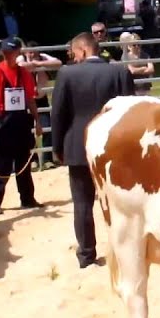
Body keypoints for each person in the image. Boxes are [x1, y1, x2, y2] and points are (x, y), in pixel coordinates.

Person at [50, 32, 135, 268]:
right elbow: (131, 113)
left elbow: (58, 115)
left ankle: (87, 254)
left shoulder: (67, 74)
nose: (72, 57)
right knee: (118, 203)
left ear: (83, 50)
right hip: (113, 148)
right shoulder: (120, 72)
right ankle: (123, 250)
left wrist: (57, 147)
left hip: (78, 147)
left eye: (73, 53)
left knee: (82, 203)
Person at [0, 37, 42, 214]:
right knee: (0, 165)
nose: (8, 55)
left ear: (17, 53)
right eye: (5, 52)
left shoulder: (24, 74)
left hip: (21, 121)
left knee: (24, 163)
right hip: (3, 122)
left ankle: (27, 199)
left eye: (12, 52)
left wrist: (37, 121)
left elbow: (30, 99)